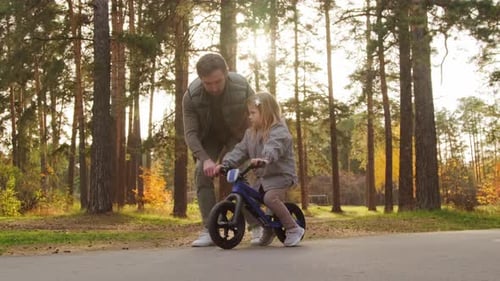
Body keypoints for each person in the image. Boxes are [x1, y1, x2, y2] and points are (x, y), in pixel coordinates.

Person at [183, 53, 261, 247]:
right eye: (208, 83)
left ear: (226, 73)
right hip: (208, 137)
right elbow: (191, 134)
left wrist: (256, 141)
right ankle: (211, 229)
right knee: (201, 171)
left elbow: (259, 113)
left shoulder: (242, 86)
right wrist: (205, 159)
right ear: (201, 79)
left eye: (218, 81)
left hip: (238, 135)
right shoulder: (191, 96)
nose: (214, 88)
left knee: (237, 173)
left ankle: (257, 226)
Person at [215, 92, 305, 247]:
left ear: (266, 112)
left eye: (253, 113)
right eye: (249, 113)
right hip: (263, 177)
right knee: (245, 200)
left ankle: (293, 228)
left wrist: (265, 159)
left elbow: (274, 147)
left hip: (281, 176)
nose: (249, 117)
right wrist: (226, 163)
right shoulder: (250, 133)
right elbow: (240, 150)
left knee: (270, 199)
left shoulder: (279, 131)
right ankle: (267, 228)